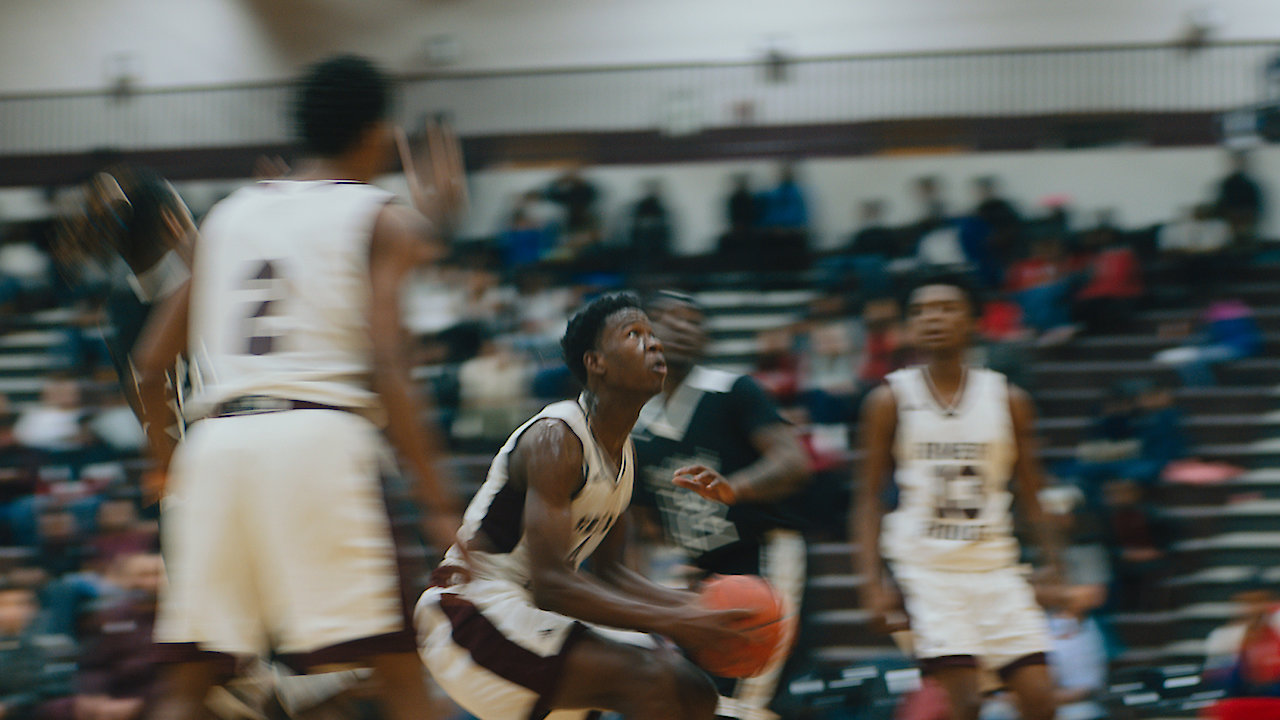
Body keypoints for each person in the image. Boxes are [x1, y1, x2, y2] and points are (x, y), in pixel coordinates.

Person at [132, 54, 466, 720]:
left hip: (215, 450)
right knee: (401, 675)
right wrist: (437, 502)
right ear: (376, 134)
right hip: (317, 444)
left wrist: (170, 470)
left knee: (190, 687)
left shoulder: (227, 215)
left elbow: (148, 366)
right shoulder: (380, 216)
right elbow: (389, 363)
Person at [417, 292, 751, 720]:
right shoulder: (557, 439)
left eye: (652, 334)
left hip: (527, 612)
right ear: (596, 363)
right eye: (635, 334)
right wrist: (673, 621)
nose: (655, 344)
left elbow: (611, 574)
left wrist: (690, 608)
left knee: (693, 691)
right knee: (650, 677)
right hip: (469, 613)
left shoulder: (624, 453)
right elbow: (554, 582)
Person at [855, 270, 1062, 720]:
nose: (932, 318)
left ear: (974, 322)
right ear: (909, 326)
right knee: (964, 703)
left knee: (1041, 700)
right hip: (927, 569)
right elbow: (868, 499)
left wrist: (1055, 565)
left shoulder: (1008, 399)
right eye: (920, 311)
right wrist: (872, 584)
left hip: (996, 564)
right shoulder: (889, 399)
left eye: (946, 308)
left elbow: (1033, 490)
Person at [631, 291, 811, 720]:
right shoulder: (634, 421)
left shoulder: (732, 391)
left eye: (693, 320)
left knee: (750, 696)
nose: (682, 327)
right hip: (698, 571)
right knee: (697, 699)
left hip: (762, 556)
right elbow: (643, 519)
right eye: (669, 318)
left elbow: (793, 462)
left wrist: (736, 488)